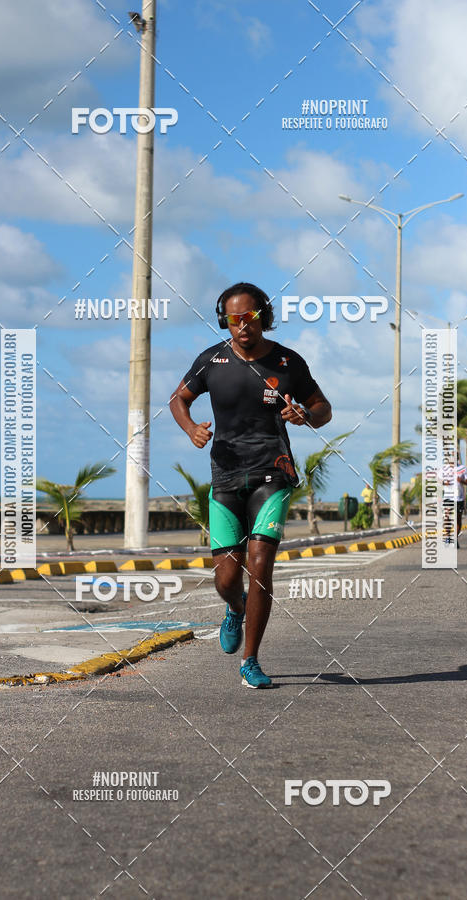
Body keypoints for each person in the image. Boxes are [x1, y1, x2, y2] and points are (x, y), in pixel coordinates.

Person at [170, 282, 332, 688]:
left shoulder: (287, 362)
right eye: (234, 318)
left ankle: (251, 660)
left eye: (251, 317)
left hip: (272, 472)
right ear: (225, 320)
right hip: (225, 476)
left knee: (260, 566)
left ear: (263, 317)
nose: (243, 326)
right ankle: (235, 609)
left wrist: (305, 416)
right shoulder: (212, 360)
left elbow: (323, 408)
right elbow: (178, 399)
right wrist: (190, 428)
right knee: (227, 579)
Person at [439, 450, 467, 548]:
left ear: (457, 458)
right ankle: (448, 536)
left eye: (453, 457)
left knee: (458, 519)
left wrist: (462, 480)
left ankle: (455, 538)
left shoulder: (462, 468)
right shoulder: (443, 469)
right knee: (447, 517)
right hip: (448, 497)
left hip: (459, 498)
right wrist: (444, 483)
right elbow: (438, 480)